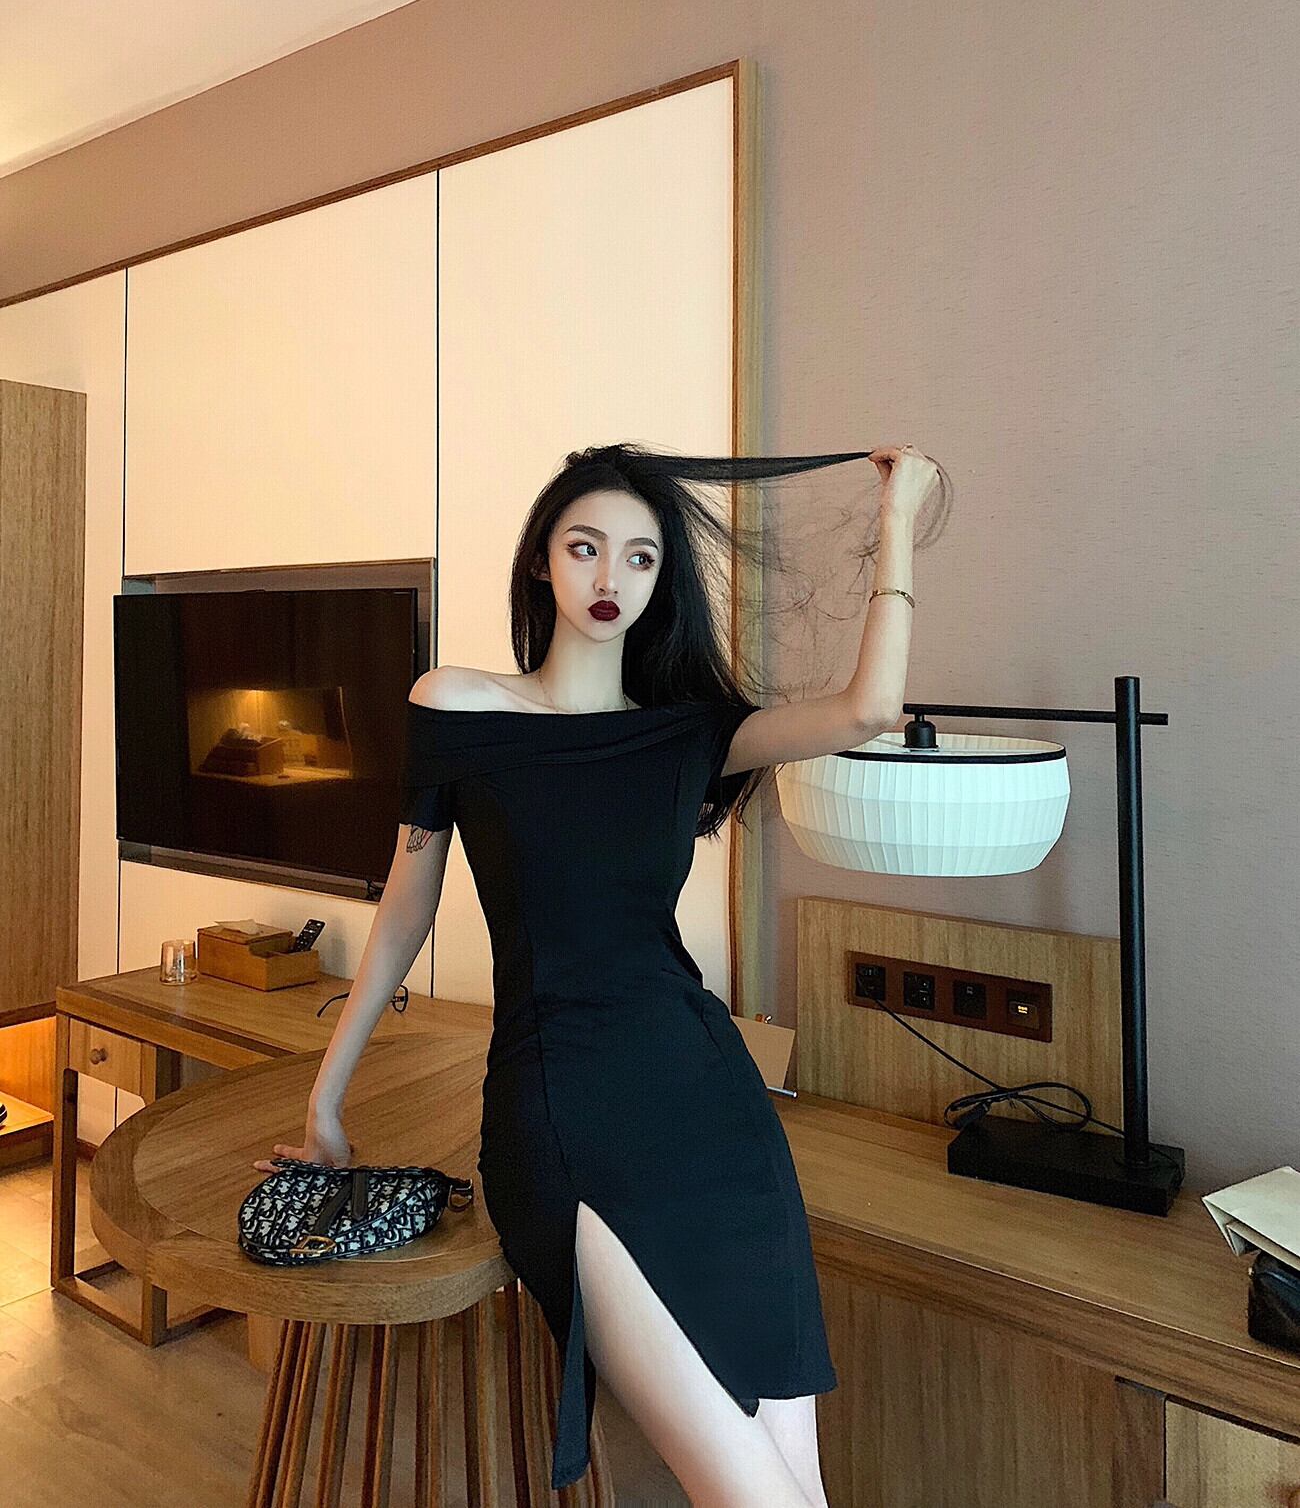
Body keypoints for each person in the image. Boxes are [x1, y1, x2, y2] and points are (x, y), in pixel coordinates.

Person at [254, 440, 946, 1507]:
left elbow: (866, 709)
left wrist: (896, 516)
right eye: (585, 547)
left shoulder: (686, 735)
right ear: (541, 560)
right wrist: (325, 1096)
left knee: (798, 1488)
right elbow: (404, 913)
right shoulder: (456, 707)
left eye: (639, 556)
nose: (610, 575)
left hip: (712, 1106)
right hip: (562, 1111)